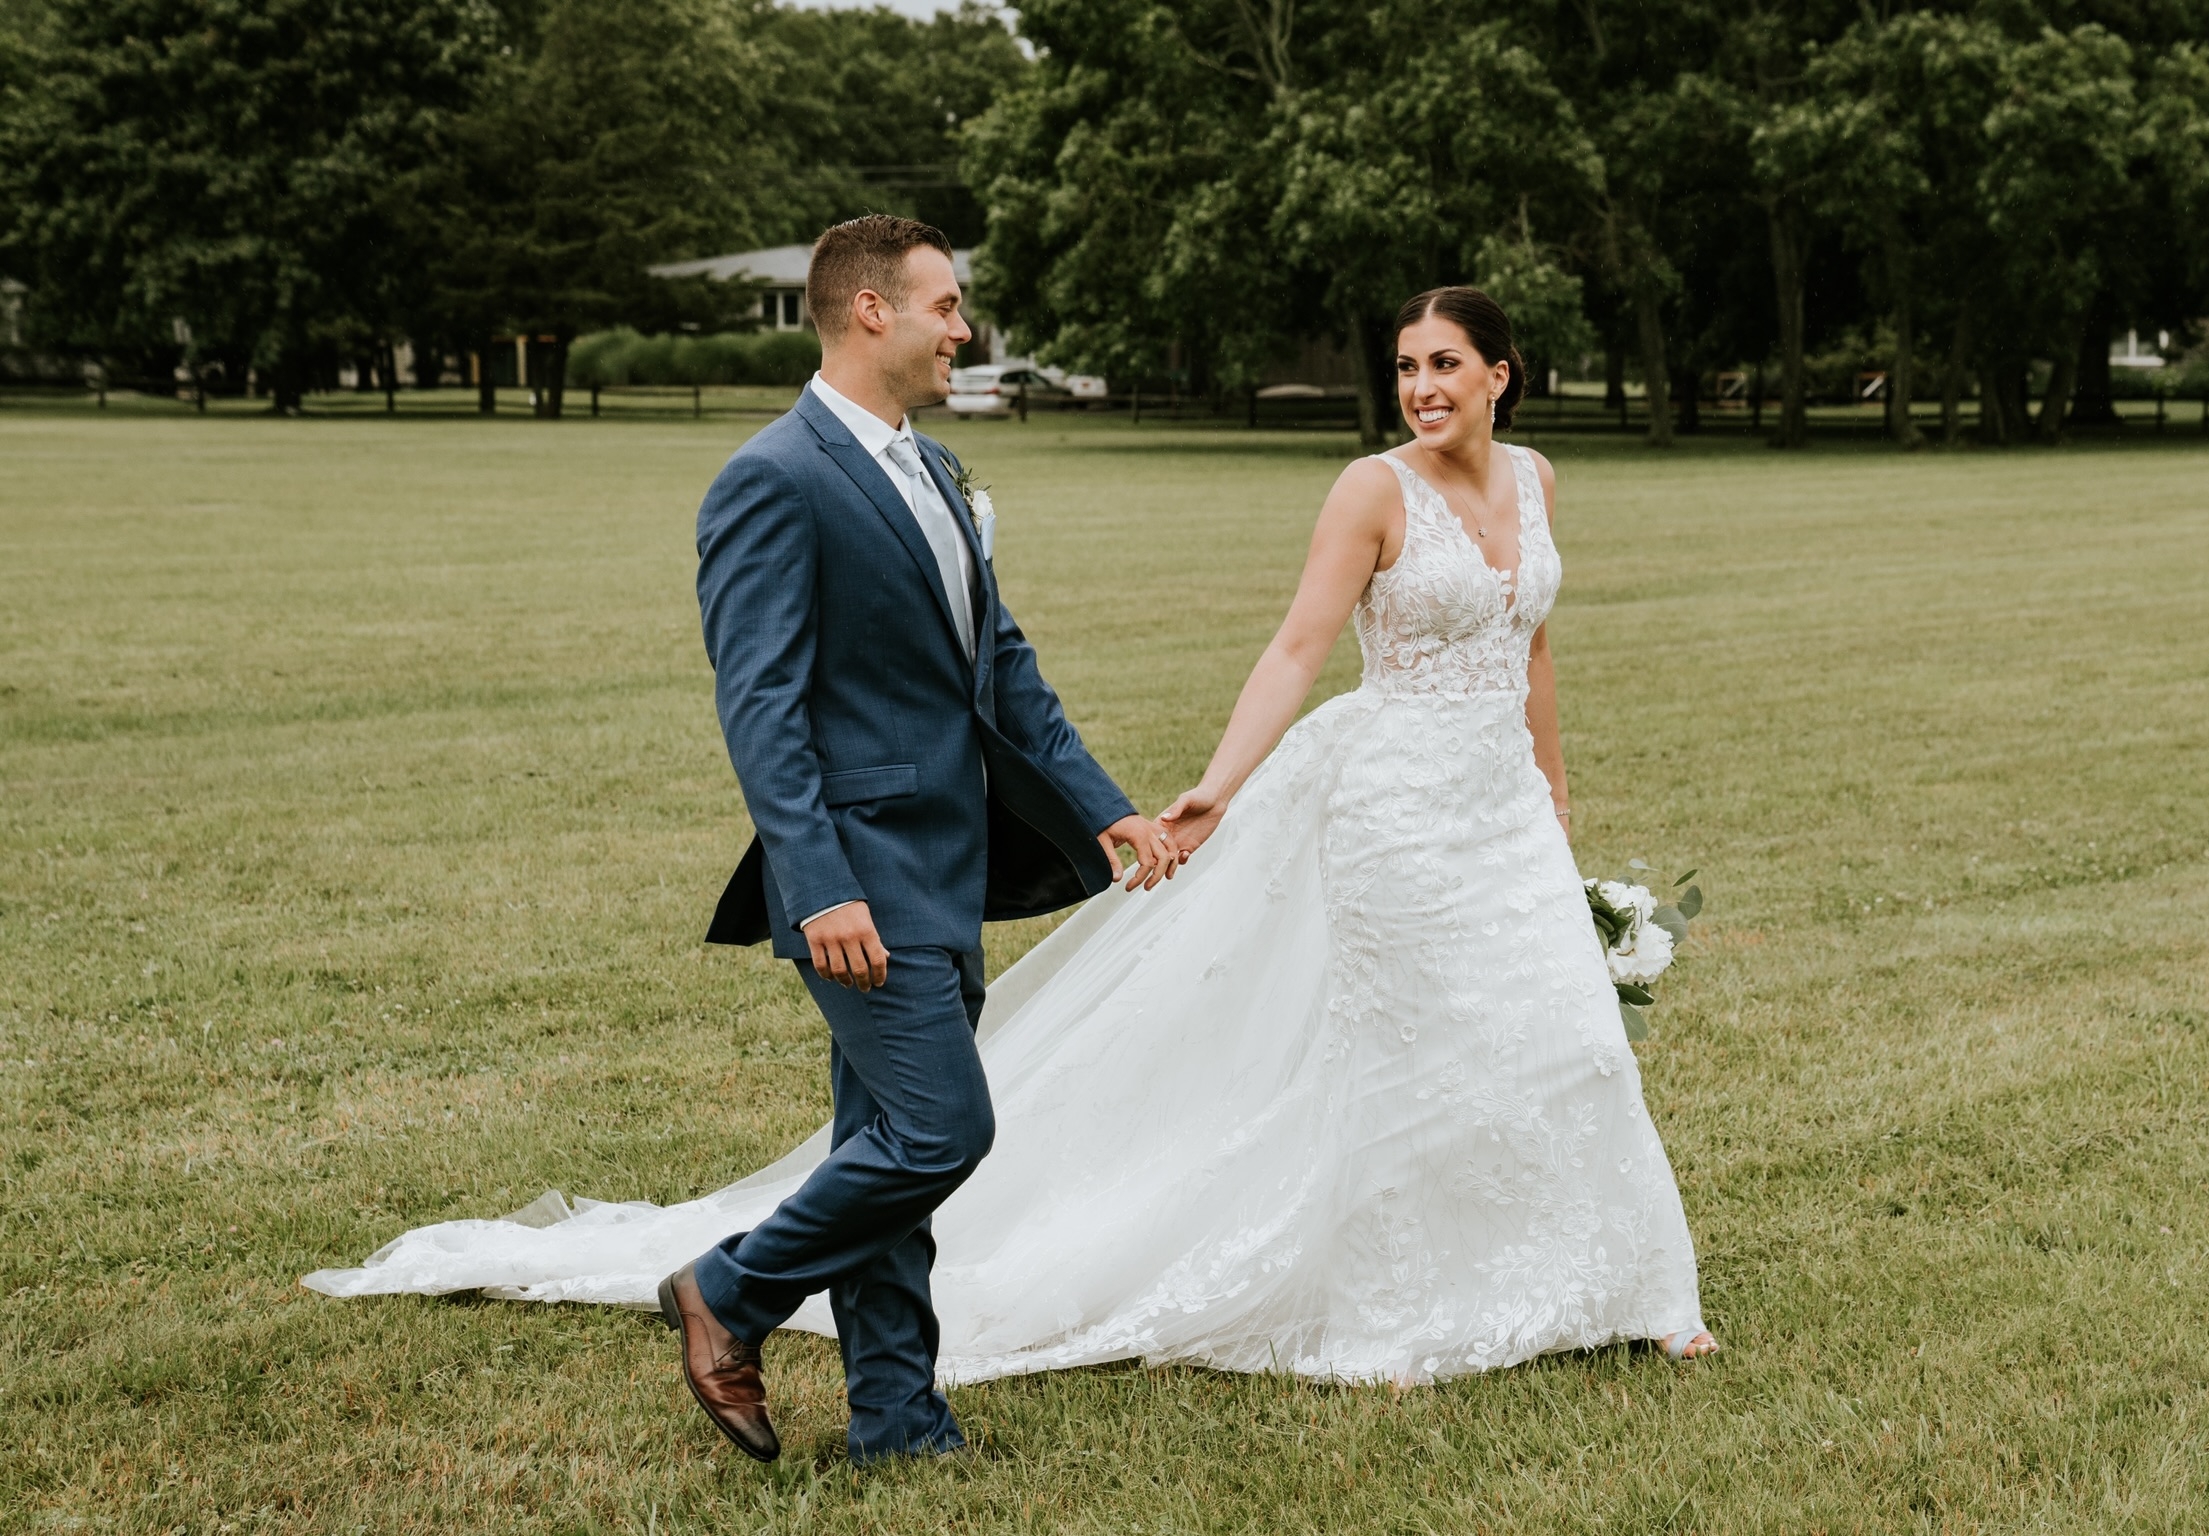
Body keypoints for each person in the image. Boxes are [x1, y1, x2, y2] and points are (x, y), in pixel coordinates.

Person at [304, 281, 1712, 1453]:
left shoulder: (937, 469)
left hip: (1422, 818)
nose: (964, 328)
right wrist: (825, 877)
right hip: (880, 867)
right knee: (940, 1135)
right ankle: (726, 1286)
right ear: (874, 308)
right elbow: (761, 708)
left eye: (1443, 363)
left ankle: (897, 1416)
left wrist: (1118, 814)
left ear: (1500, 378)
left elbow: (1007, 672)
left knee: (1551, 1044)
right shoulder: (772, 475)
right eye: (948, 305)